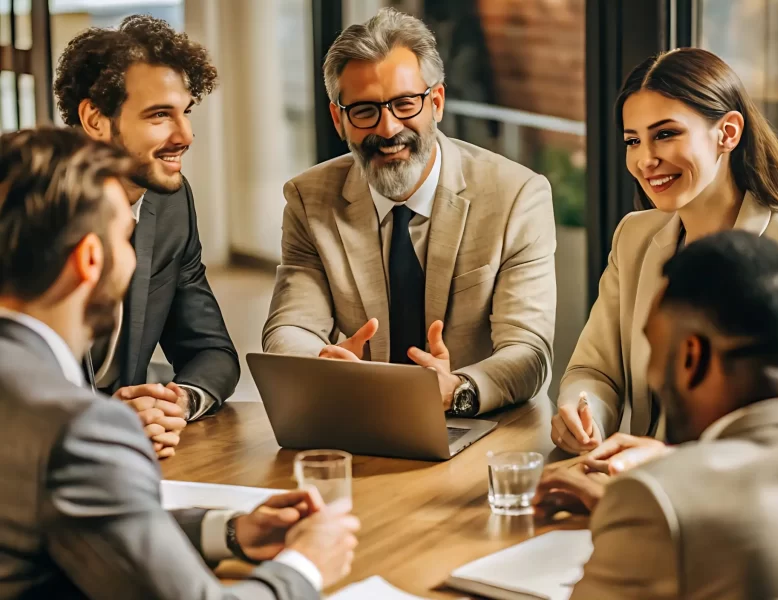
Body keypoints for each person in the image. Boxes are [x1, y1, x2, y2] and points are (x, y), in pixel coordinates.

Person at [0, 127, 358, 600]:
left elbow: (82, 522)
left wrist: (228, 531)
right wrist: (304, 566)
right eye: (125, 238)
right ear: (89, 259)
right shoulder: (77, 429)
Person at [262, 8, 556, 416]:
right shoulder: (309, 198)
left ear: (436, 102)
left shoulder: (517, 196)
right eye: (365, 110)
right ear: (338, 119)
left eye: (404, 104)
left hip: (483, 423)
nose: (386, 129)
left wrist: (458, 390)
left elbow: (528, 351)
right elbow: (288, 327)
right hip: (363, 416)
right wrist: (322, 364)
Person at [553, 47, 778, 453]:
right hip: (638, 481)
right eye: (632, 141)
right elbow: (594, 369)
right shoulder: (633, 237)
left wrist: (663, 459)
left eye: (665, 134)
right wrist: (583, 414)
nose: (645, 159)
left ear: (728, 133)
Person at [541, 231, 778, 599]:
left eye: (653, 345)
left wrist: (647, 510)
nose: (652, 370)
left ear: (691, 357)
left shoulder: (660, 502)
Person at [53, 15, 240, 458]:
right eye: (160, 116)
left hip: (137, 460)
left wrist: (177, 402)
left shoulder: (170, 203)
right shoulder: (29, 207)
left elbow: (212, 351)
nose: (185, 136)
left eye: (186, 113)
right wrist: (105, 421)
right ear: (95, 120)